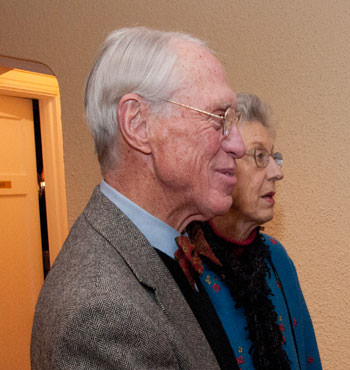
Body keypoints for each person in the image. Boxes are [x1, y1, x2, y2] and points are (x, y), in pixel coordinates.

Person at [31, 27, 246, 370]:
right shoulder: (100, 316)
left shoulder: (163, 249)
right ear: (138, 124)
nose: (239, 145)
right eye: (218, 118)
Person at [180, 93, 322, 370]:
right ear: (219, 165)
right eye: (259, 156)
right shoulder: (186, 264)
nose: (276, 173)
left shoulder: (276, 258)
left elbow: (308, 357)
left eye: (274, 157)